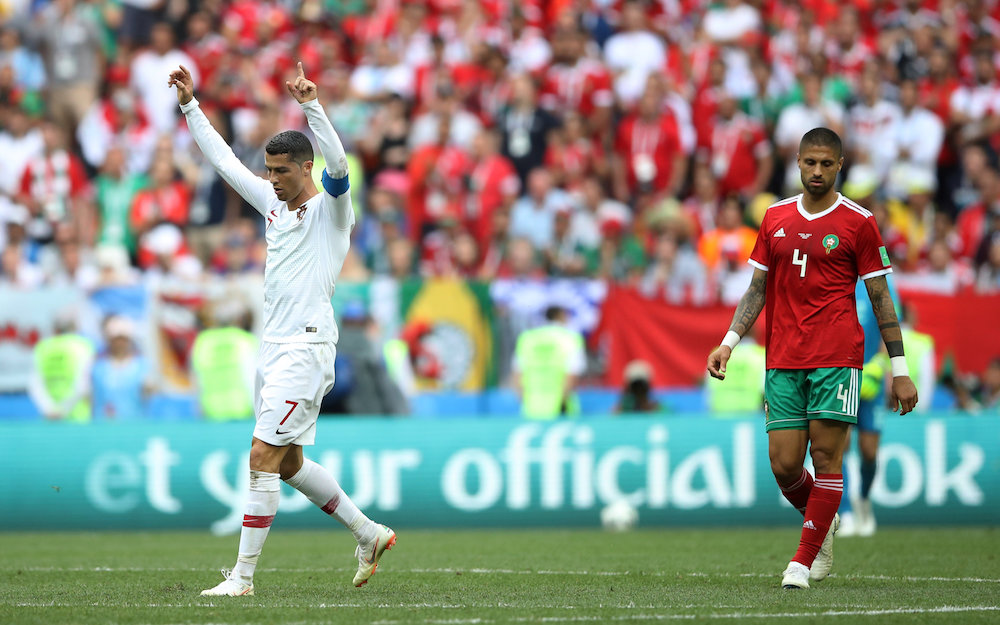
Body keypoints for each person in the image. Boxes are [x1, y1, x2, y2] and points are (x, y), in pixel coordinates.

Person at [169, 62, 395, 597]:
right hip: (272, 349)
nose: (271, 179)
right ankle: (368, 533)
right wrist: (190, 106)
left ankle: (242, 579)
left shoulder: (333, 212)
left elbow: (338, 163)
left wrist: (313, 106)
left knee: (261, 457)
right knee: (289, 462)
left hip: (307, 348)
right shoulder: (273, 204)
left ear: (305, 167)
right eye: (268, 170)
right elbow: (224, 162)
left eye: (281, 171)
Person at [706, 128, 918, 590]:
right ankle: (824, 523)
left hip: (836, 356)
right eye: (809, 163)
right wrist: (729, 341)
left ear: (839, 165)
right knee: (784, 464)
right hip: (783, 356)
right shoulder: (774, 217)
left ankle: (801, 562)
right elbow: (757, 289)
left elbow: (881, 298)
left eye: (826, 164)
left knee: (826, 457)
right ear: (798, 163)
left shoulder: (858, 222)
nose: (817, 171)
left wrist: (900, 371)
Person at [512, 304, 586, 419]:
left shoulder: (527, 338)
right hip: (561, 410)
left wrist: (526, 401)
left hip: (531, 410)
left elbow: (517, 377)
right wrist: (562, 404)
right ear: (560, 316)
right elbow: (572, 376)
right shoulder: (571, 339)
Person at [28, 312, 95, 423]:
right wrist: (62, 410)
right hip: (78, 418)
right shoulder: (83, 345)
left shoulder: (43, 346)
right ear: (75, 326)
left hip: (50, 418)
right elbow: (83, 385)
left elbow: (35, 385)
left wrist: (49, 410)